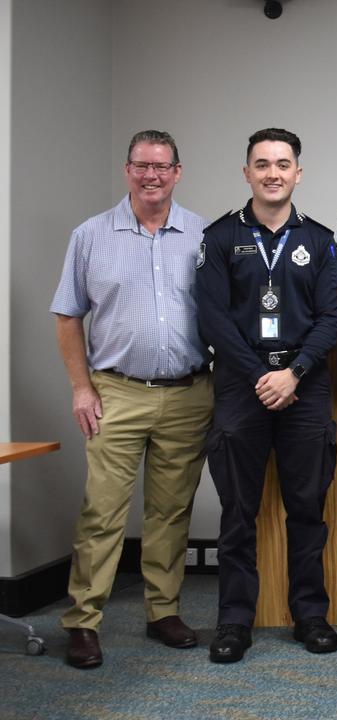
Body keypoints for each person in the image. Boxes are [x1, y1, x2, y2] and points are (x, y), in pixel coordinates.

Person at [51, 130, 212, 669]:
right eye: (142, 166)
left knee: (171, 513)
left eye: (162, 167)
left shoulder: (199, 235)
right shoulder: (92, 235)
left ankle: (162, 611)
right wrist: (80, 387)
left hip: (189, 393)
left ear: (177, 172)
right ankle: (83, 621)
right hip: (115, 393)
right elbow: (68, 314)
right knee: (102, 513)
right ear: (127, 171)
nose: (152, 176)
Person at [196, 128, 337, 663]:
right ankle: (234, 622)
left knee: (307, 509)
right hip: (241, 386)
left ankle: (311, 615)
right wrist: (261, 374)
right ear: (247, 173)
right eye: (262, 164)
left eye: (283, 164)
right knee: (238, 512)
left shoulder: (322, 240)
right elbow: (213, 318)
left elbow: (331, 317)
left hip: (303, 387)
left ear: (298, 173)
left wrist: (294, 372)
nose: (273, 173)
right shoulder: (218, 239)